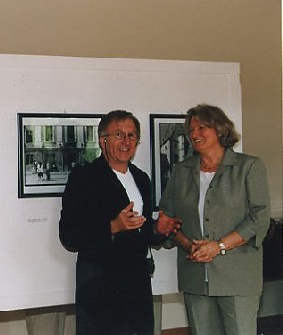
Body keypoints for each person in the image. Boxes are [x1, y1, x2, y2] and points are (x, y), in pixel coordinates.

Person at [59, 110, 181, 335]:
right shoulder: (84, 177)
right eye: (119, 134)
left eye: (132, 135)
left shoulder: (141, 178)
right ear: (102, 140)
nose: (126, 141)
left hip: (137, 286)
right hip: (100, 289)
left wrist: (159, 229)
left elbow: (141, 231)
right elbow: (68, 235)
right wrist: (112, 227)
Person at [159, 104, 271, 335]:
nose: (194, 134)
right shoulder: (181, 171)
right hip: (195, 276)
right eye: (191, 130)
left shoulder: (248, 166)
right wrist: (189, 245)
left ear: (220, 129)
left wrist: (218, 246)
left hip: (238, 277)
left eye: (202, 127)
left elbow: (259, 216)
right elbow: (167, 218)